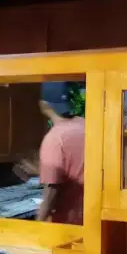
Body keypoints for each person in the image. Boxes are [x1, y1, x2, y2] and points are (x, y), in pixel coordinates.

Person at [19, 82, 85, 224]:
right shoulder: (85, 125)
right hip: (90, 220)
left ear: (43, 104)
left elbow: (52, 191)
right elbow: (76, 168)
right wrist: (41, 170)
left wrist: (39, 224)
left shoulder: (54, 139)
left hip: (67, 223)